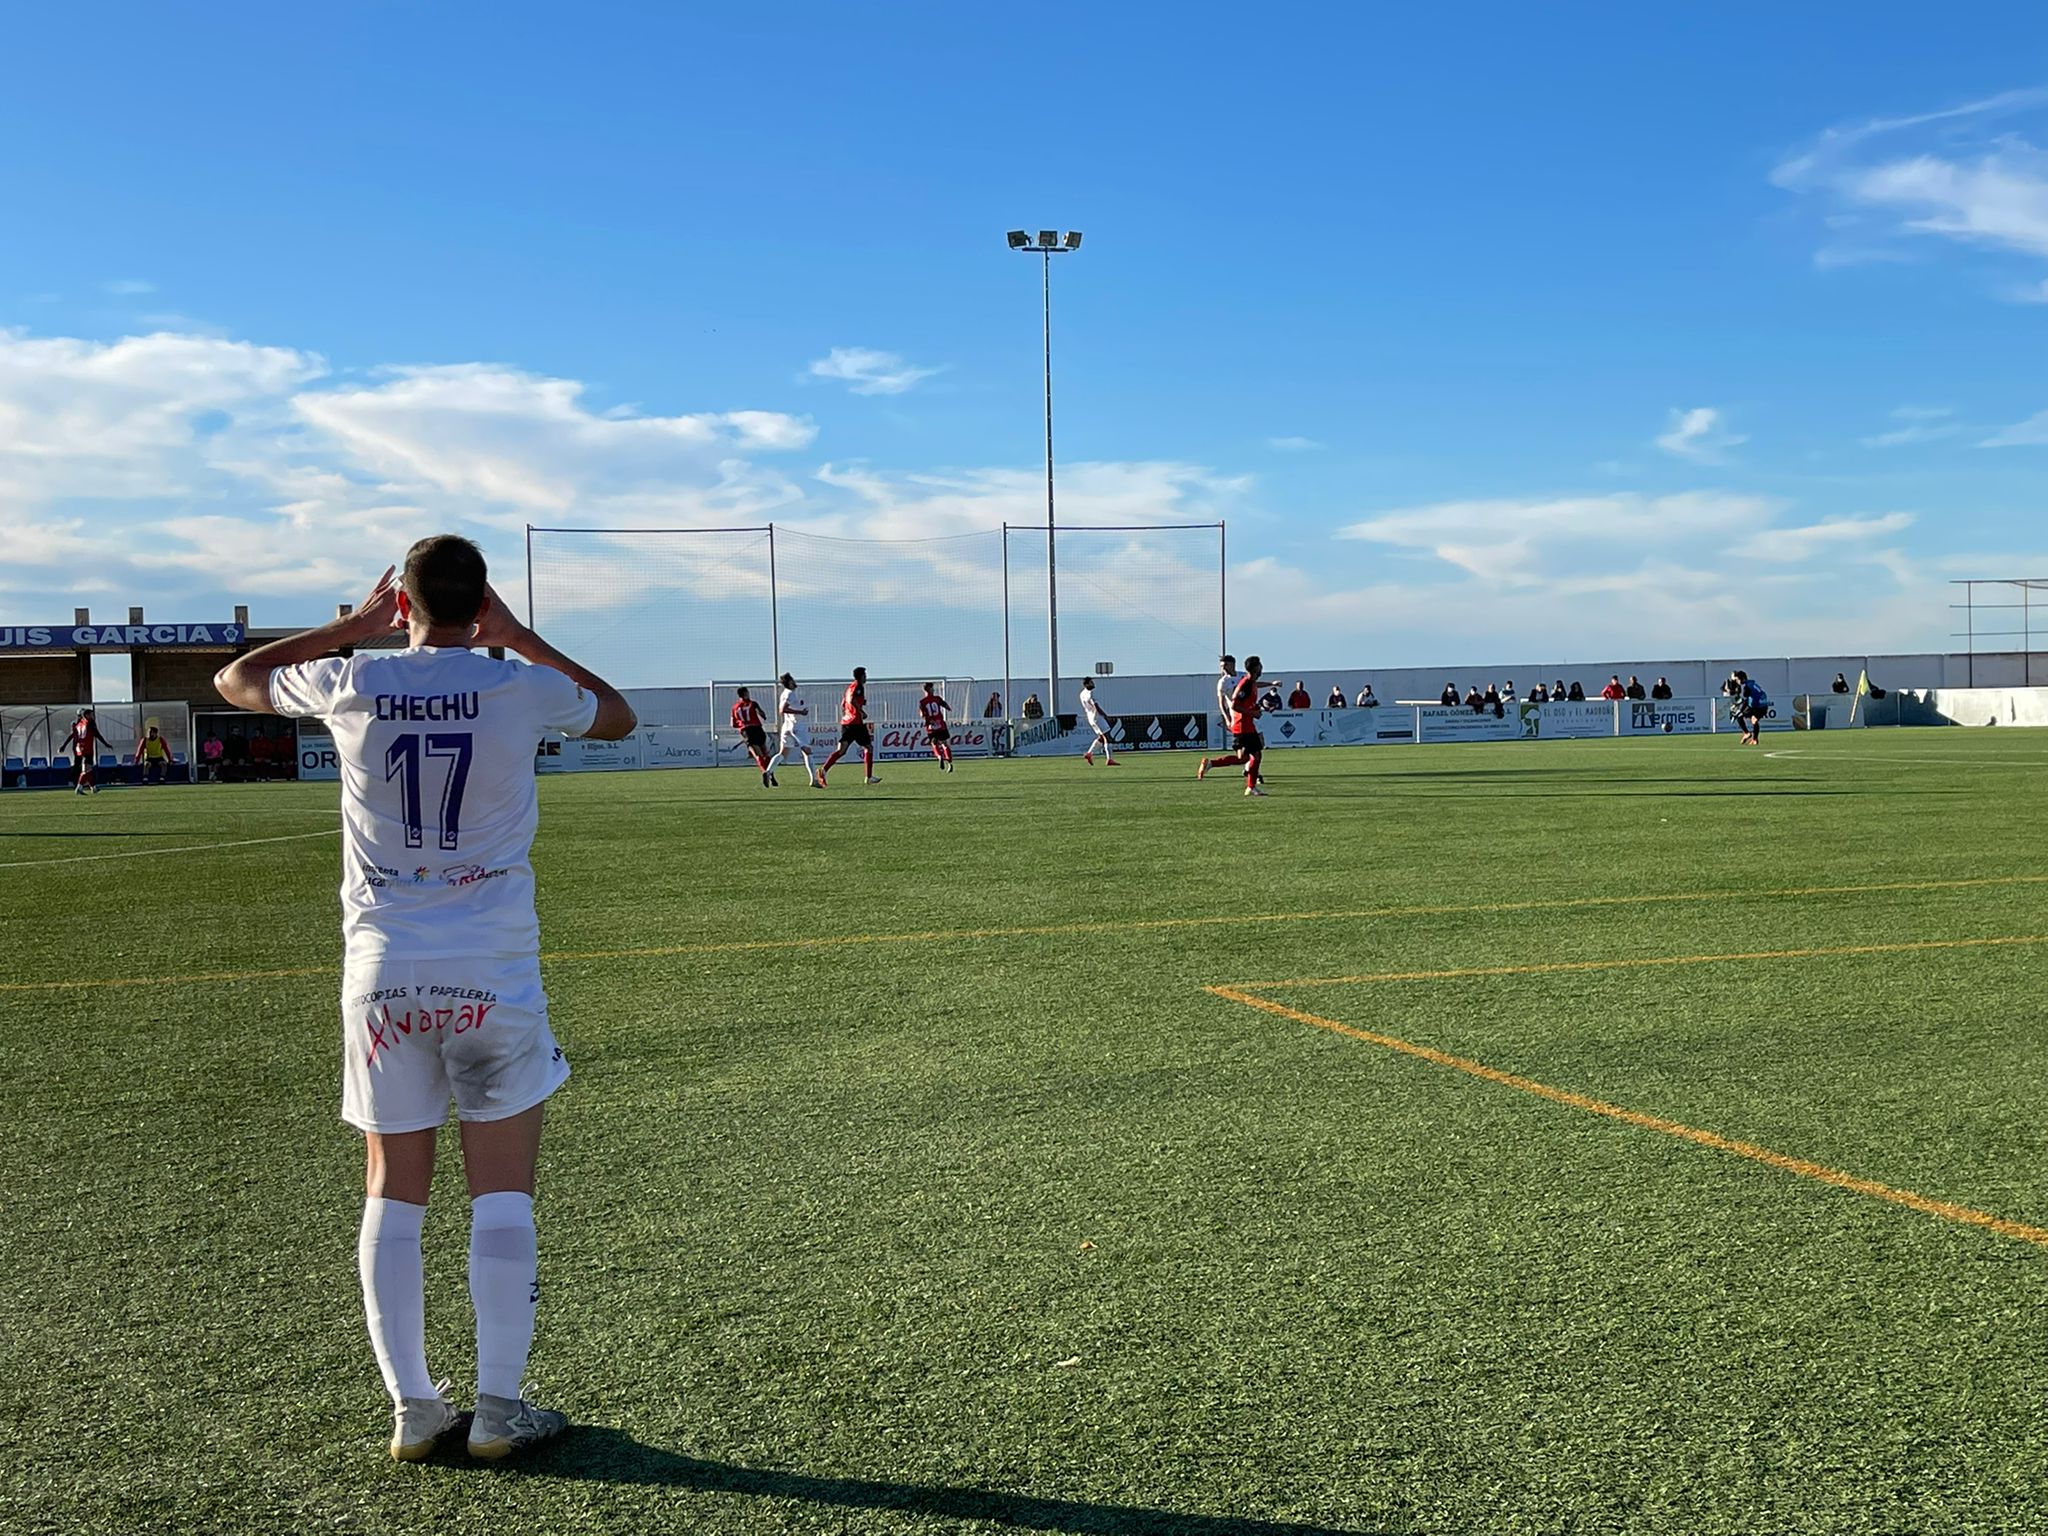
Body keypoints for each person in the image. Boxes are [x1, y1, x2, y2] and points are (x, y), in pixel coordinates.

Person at [212, 535, 635, 1463]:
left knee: (393, 1192)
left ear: (399, 604)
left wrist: (348, 630)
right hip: (491, 973)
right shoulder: (517, 683)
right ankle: (497, 1407)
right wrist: (521, 639)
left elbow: (235, 681)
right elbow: (617, 717)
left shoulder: (350, 677)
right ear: (481, 601)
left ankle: (412, 1407)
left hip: (383, 975)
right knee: (503, 1192)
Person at [1197, 654, 1269, 797]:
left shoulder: (1250, 682)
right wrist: (1251, 713)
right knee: (1256, 755)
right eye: (1260, 666)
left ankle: (1211, 764)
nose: (1262, 668)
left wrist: (1259, 708)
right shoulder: (1245, 683)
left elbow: (1246, 703)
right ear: (1256, 669)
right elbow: (1235, 704)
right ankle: (1251, 787)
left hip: (1246, 723)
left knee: (1244, 758)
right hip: (1243, 725)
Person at [817, 667, 879, 787]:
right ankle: (869, 777)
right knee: (868, 747)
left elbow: (843, 703)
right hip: (856, 723)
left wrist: (848, 713)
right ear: (861, 676)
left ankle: (823, 771)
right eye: (865, 675)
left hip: (847, 723)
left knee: (842, 750)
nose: (866, 677)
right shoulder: (859, 686)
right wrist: (860, 712)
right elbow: (852, 701)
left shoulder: (849, 688)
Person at [769, 673, 817, 787]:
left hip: (787, 726)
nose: (794, 682)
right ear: (789, 682)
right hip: (796, 726)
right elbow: (782, 710)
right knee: (807, 751)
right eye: (792, 680)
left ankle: (768, 771)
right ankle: (813, 780)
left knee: (783, 753)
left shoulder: (786, 693)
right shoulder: (789, 693)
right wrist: (801, 712)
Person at [729, 686, 774, 787]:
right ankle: (771, 774)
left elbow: (733, 724)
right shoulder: (753, 704)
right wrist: (763, 716)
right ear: (745, 693)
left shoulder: (735, 707)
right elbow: (762, 713)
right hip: (758, 729)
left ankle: (764, 772)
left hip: (747, 731)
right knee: (765, 753)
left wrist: (741, 725)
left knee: (757, 755)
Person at [67, 707, 113, 795]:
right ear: (86, 715)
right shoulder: (90, 723)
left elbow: (74, 736)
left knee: (88, 769)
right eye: (91, 714)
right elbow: (97, 734)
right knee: (87, 770)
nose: (93, 716)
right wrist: (106, 744)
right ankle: (79, 787)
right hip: (87, 749)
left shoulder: (79, 724)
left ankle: (93, 787)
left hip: (80, 749)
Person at [1078, 677, 1118, 766]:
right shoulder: (1091, 693)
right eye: (1091, 682)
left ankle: (1089, 754)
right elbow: (1096, 706)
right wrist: (1105, 715)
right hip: (1097, 717)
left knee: (1101, 738)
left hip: (1090, 718)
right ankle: (1109, 759)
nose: (1093, 684)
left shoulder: (1081, 694)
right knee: (1108, 737)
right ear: (1087, 684)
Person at [917, 682, 955, 771]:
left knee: (934, 743)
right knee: (944, 743)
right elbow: (947, 706)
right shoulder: (937, 699)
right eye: (932, 688)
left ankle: (939, 757)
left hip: (931, 726)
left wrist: (925, 715)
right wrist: (948, 708)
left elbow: (922, 714)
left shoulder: (922, 702)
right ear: (929, 689)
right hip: (941, 725)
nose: (933, 690)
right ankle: (949, 764)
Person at [1734, 669, 1771, 745]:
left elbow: (1745, 699)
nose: (1737, 681)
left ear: (1742, 679)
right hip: (1763, 706)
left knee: (1739, 716)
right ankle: (1755, 739)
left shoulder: (1746, 686)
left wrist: (1740, 710)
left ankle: (1747, 733)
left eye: (1737, 679)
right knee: (1754, 720)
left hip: (1756, 706)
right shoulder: (1752, 683)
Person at [1214, 656, 1238, 738]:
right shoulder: (1223, 682)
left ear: (1233, 665)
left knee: (1259, 740)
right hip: (1236, 714)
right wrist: (1227, 719)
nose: (1223, 668)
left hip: (1249, 713)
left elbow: (1254, 685)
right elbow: (1221, 703)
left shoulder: (1243, 676)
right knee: (1240, 741)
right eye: (1221, 666)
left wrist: (1271, 684)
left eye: (1225, 665)